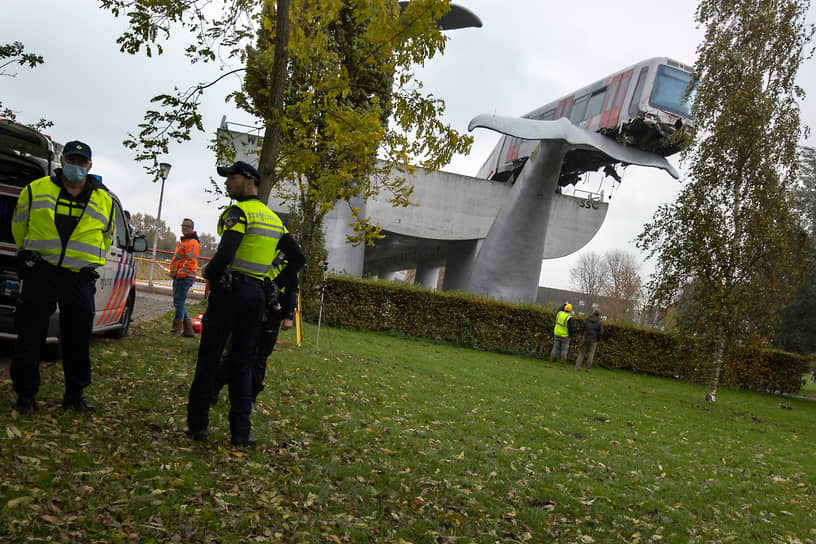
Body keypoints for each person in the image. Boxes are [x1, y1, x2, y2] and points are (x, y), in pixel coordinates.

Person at [186, 161, 291, 447]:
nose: (226, 183)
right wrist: (271, 280)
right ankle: (240, 432)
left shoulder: (239, 212)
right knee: (243, 363)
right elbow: (296, 256)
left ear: (249, 181)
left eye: (231, 178)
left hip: (230, 292)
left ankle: (198, 426)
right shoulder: (274, 220)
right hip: (256, 296)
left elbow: (225, 253)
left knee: (209, 358)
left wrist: (209, 274)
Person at [10, 140, 114, 414]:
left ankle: (75, 394)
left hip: (79, 278)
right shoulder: (37, 189)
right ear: (62, 161)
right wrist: (28, 254)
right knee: (30, 337)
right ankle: (26, 395)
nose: (76, 167)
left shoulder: (104, 199)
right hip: (41, 272)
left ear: (89, 167)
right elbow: (19, 224)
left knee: (78, 340)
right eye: (71, 160)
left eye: (81, 163)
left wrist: (89, 262)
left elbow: (106, 236)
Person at [211, 243, 304, 406]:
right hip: (252, 308)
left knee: (260, 358)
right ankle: (213, 390)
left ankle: (250, 398)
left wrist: (289, 315)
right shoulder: (265, 256)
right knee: (234, 352)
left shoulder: (290, 268)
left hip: (272, 313)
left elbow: (292, 291)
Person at [168, 218, 200, 337]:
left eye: (187, 226)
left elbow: (191, 261)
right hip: (181, 276)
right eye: (183, 225)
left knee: (179, 302)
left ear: (192, 228)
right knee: (179, 302)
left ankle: (176, 329)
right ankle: (188, 331)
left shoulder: (191, 242)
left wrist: (179, 273)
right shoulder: (185, 241)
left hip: (184, 277)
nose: (184, 227)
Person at [549, 302, 575, 367]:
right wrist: (571, 336)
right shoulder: (569, 318)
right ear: (570, 310)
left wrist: (564, 304)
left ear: (564, 308)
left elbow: (559, 309)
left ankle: (550, 361)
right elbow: (571, 329)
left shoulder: (559, 314)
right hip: (565, 337)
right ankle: (563, 364)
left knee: (555, 348)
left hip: (557, 334)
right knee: (564, 350)